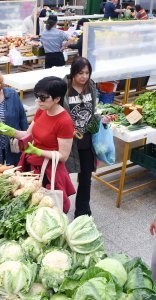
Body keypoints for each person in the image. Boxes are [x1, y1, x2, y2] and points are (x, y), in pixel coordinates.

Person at [0, 77, 75, 213]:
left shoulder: (64, 121)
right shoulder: (41, 111)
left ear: (57, 99)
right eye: (37, 96)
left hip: (49, 171)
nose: (38, 101)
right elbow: (28, 134)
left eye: (43, 97)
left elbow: (63, 156)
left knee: (46, 208)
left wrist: (39, 152)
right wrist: (11, 131)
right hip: (31, 165)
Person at [63, 57, 109, 218]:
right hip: (68, 142)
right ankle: (59, 210)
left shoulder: (91, 86)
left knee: (86, 178)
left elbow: (93, 110)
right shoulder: (64, 89)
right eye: (80, 73)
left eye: (87, 72)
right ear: (73, 73)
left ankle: (82, 212)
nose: (84, 76)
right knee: (63, 177)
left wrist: (100, 120)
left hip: (87, 140)